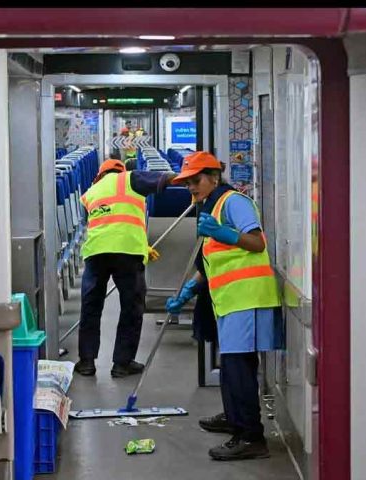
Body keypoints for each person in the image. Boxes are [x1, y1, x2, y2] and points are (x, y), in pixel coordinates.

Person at [165, 151, 283, 461]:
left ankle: (251, 436)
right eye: (187, 183)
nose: (191, 187)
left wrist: (224, 233)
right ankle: (234, 418)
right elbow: (211, 261)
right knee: (230, 366)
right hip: (230, 298)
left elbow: (257, 242)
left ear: (214, 177)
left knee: (238, 367)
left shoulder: (233, 202)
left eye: (196, 181)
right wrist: (188, 291)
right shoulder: (211, 206)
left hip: (248, 296)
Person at [75, 159, 175, 378]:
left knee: (91, 307)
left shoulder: (90, 192)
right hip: (128, 252)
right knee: (131, 307)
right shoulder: (131, 178)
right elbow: (166, 179)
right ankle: (122, 363)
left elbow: (105, 223)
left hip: (96, 252)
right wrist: (192, 179)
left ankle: (86, 362)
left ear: (100, 175)